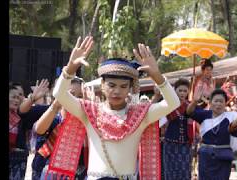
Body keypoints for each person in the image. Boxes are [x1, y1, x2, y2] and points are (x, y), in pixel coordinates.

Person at [48, 36, 180, 180]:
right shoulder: (89, 111)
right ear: (102, 85)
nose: (117, 91)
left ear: (130, 88)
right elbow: (59, 94)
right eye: (111, 85)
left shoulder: (141, 114)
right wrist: (70, 68)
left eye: (123, 86)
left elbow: (173, 103)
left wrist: (157, 76)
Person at [186, 87, 237, 180]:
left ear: (225, 103)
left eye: (221, 101)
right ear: (210, 103)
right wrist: (194, 101)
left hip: (224, 156)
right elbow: (189, 112)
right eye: (216, 101)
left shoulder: (231, 116)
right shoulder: (204, 114)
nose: (218, 104)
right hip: (206, 156)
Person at [31, 78, 87, 180]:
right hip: (47, 172)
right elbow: (38, 130)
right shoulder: (53, 118)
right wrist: (55, 106)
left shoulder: (86, 123)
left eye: (80, 96)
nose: (75, 100)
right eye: (71, 95)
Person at [162, 78, 192, 180]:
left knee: (185, 171)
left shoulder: (190, 105)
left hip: (185, 143)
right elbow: (162, 120)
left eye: (185, 91)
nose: (182, 93)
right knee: (170, 170)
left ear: (188, 92)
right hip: (170, 142)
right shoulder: (168, 105)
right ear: (175, 90)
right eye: (180, 90)